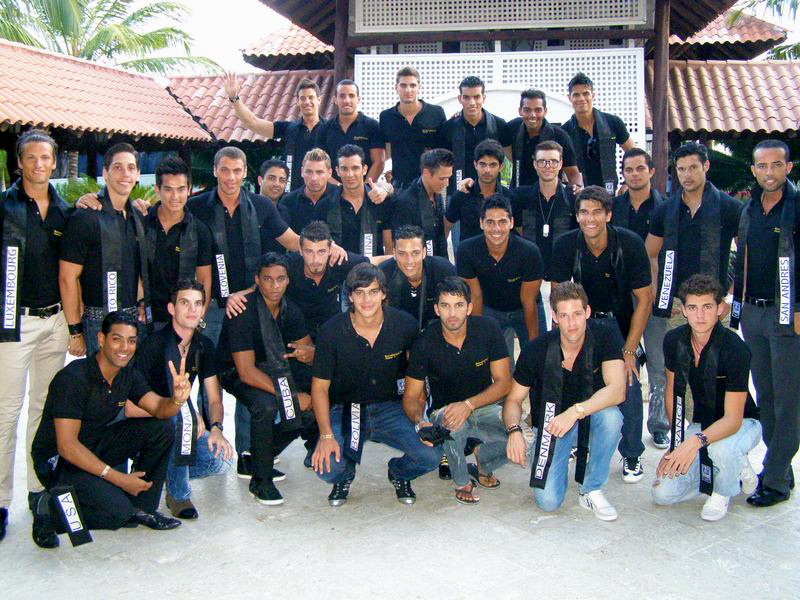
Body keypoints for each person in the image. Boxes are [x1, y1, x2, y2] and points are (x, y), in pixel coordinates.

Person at [30, 311, 191, 547]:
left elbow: (159, 408)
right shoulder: (72, 379)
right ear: (101, 339)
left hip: (93, 445)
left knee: (163, 427)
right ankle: (49, 509)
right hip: (60, 461)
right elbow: (67, 446)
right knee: (119, 514)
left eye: (131, 341)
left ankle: (143, 508)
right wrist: (119, 479)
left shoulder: (127, 375)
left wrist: (176, 399)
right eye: (117, 339)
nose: (125, 347)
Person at [311, 263, 440, 506]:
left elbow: (417, 379)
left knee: (430, 455)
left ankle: (399, 473)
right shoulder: (331, 331)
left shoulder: (405, 325)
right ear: (350, 296)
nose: (366, 300)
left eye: (373, 291)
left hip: (391, 407)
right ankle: (345, 474)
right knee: (327, 467)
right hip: (346, 408)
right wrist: (326, 435)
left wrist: (419, 419)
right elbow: (319, 387)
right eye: (359, 293)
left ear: (383, 293)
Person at [550, 186, 653, 483]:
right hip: (580, 322)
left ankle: (631, 453)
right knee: (570, 379)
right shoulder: (566, 244)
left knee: (628, 383)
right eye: (584, 212)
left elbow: (644, 299)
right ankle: (576, 441)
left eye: (597, 212)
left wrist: (630, 349)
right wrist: (562, 340)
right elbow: (557, 297)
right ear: (577, 216)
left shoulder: (630, 243)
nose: (590, 219)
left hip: (619, 324)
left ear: (608, 214)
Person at [0, 130, 70, 543]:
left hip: (55, 323)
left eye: (46, 157)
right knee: (6, 412)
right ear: (19, 162)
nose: (39, 164)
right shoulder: (5, 206)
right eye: (32, 157)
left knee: (44, 412)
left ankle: (38, 494)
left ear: (54, 162)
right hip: (14, 322)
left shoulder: (64, 211)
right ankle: (0, 501)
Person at [504, 282, 626, 520]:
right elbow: (513, 400)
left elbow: (617, 391)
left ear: (587, 312)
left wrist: (574, 412)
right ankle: (559, 451)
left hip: (587, 415)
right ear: (554, 317)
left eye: (577, 314)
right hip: (552, 423)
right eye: (564, 315)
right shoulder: (536, 349)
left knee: (612, 418)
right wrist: (514, 430)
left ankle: (591, 488)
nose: (572, 323)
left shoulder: (605, 335)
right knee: (548, 502)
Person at [652, 274, 761, 521]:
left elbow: (733, 419)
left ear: (720, 309)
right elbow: (672, 390)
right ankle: (732, 467)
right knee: (663, 494)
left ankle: (723, 490)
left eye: (707, 307)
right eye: (693, 307)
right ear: (684, 310)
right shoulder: (674, 340)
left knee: (721, 448)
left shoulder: (735, 349)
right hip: (703, 422)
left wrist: (694, 443)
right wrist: (676, 444)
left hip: (743, 423)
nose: (700, 315)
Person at [216, 253, 318, 505]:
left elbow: (307, 350)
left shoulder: (291, 310)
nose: (274, 286)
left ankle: (257, 458)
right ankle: (260, 481)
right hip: (234, 371)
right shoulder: (242, 311)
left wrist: (311, 354)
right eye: (268, 279)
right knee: (267, 405)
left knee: (318, 394)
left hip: (275, 366)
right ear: (257, 280)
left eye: (280, 279)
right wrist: (291, 396)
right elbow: (246, 372)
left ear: (288, 280)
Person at [731, 140, 800, 507]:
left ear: (788, 167)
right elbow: (742, 257)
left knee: (789, 400)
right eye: (762, 166)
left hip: (787, 313)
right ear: (754, 170)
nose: (769, 172)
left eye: (776, 165)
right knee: (767, 396)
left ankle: (773, 480)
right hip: (752, 314)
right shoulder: (750, 208)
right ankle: (780, 466)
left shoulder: (796, 206)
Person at [403, 277, 511, 504]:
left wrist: (469, 405)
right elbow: (411, 396)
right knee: (453, 420)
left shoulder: (489, 329)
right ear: (436, 309)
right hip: (445, 412)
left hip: (483, 406)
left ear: (469, 308)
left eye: (459, 305)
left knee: (523, 436)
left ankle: (483, 461)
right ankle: (462, 481)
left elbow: (504, 383)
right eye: (445, 305)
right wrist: (420, 422)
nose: (452, 313)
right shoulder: (424, 342)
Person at [133, 280, 232, 520]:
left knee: (221, 461)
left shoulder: (203, 345)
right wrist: (182, 409)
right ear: (171, 308)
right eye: (184, 303)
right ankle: (178, 495)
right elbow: (131, 407)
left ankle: (160, 472)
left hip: (181, 427)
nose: (192, 310)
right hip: (149, 426)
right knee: (181, 421)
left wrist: (216, 428)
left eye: (198, 303)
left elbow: (214, 398)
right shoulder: (153, 345)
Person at [59, 143, 150, 357]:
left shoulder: (138, 218)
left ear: (138, 174)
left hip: (134, 320)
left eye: (131, 168)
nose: (125, 174)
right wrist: (75, 331)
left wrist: (141, 304)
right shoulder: (85, 217)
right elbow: (67, 278)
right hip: (98, 321)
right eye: (117, 167)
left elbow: (137, 270)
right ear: (105, 173)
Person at [646, 142, 743, 326]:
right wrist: (659, 293)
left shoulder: (730, 207)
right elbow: (650, 253)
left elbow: (746, 256)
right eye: (681, 169)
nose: (687, 175)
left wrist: (730, 299)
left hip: (717, 302)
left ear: (706, 166)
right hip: (678, 304)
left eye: (693, 168)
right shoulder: (665, 210)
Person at [612, 148, 669, 449]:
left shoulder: (666, 208)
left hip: (655, 296)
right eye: (629, 169)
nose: (634, 174)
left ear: (651, 171)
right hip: (621, 296)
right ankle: (624, 423)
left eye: (640, 169)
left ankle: (659, 423)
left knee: (659, 362)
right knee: (624, 358)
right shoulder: (613, 208)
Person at [456, 195, 543, 366]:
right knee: (499, 366)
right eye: (490, 222)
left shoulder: (529, 252)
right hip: (491, 309)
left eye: (502, 222)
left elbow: (528, 300)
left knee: (538, 359)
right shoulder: (467, 251)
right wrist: (478, 338)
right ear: (481, 223)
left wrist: (533, 345)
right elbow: (475, 296)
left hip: (525, 307)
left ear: (511, 223)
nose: (496, 229)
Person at [513, 141, 577, 330]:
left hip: (563, 268)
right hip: (531, 268)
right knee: (534, 323)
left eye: (553, 161)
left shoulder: (573, 197)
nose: (548, 166)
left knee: (561, 320)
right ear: (535, 164)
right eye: (542, 161)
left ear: (561, 163)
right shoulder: (521, 196)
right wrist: (469, 184)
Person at [145, 156, 213, 329]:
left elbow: (204, 279)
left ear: (189, 189)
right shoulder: (141, 224)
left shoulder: (199, 230)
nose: (175, 196)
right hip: (144, 317)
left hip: (183, 320)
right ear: (157, 189)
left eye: (181, 189)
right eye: (168, 189)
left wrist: (198, 321)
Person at [225, 75, 325, 191]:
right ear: (298, 102)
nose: (307, 102)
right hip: (293, 196)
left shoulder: (330, 129)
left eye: (311, 97)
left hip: (325, 196)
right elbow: (252, 122)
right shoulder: (289, 129)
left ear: (319, 100)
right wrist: (234, 97)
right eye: (302, 98)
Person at [286, 221, 374, 340]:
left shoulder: (338, 260)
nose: (315, 259)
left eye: (321, 252)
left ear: (330, 250)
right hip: (296, 330)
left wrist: (398, 258)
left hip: (332, 328)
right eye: (309, 252)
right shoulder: (288, 266)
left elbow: (373, 262)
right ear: (300, 251)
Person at [562, 72, 634, 194]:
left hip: (609, 193)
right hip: (580, 195)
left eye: (586, 93)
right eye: (576, 95)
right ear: (569, 98)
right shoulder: (565, 132)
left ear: (593, 95)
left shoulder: (612, 122)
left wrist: (627, 183)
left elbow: (634, 153)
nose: (581, 99)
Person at [438, 76, 510, 198]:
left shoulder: (499, 125)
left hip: (492, 193)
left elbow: (510, 159)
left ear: (484, 98)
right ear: (460, 99)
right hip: (459, 192)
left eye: (476, 97)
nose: (472, 103)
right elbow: (442, 163)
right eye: (466, 97)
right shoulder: (448, 127)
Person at [379, 66, 446, 189]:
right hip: (400, 185)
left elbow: (444, 151)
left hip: (430, 185)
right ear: (396, 87)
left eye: (413, 85)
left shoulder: (436, 113)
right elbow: (384, 152)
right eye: (403, 85)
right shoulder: (386, 117)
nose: (408, 90)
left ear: (419, 87)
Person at [319, 145, 391, 257]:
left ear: (364, 169)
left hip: (374, 266)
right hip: (337, 266)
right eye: (344, 169)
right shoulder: (325, 205)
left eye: (355, 168)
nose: (350, 174)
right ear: (337, 171)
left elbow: (389, 247)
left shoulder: (380, 201)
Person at [380, 225, 456, 330]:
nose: (409, 261)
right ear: (394, 253)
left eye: (415, 253)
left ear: (424, 252)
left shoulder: (443, 270)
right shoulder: (383, 275)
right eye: (402, 253)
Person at [446, 139, 518, 244]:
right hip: (468, 253)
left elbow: (519, 234)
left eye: (492, 165)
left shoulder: (510, 198)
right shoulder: (462, 195)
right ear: (475, 165)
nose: (487, 170)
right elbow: (446, 228)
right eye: (483, 164)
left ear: (501, 167)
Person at [506, 89, 581, 188]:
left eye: (538, 110)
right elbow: (506, 151)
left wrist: (576, 189)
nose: (532, 115)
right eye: (527, 110)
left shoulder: (560, 136)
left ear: (545, 111)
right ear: (520, 111)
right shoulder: (513, 128)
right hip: (518, 192)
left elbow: (573, 173)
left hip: (550, 194)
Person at [316, 79, 385, 182]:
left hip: (365, 188)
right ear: (335, 99)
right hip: (332, 189)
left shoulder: (372, 126)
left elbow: (379, 162)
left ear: (358, 99)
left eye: (351, 96)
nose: (347, 100)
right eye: (342, 96)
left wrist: (365, 188)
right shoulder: (324, 129)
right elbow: (319, 164)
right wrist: (337, 188)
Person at [389, 148, 453, 257]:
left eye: (448, 178)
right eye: (442, 179)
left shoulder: (436, 194)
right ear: (426, 173)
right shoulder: (404, 203)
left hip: (438, 260)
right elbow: (401, 244)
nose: (446, 184)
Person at [277, 148, 336, 235]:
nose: (314, 178)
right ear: (302, 172)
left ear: (329, 173)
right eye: (309, 172)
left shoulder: (341, 197)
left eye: (319, 172)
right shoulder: (289, 201)